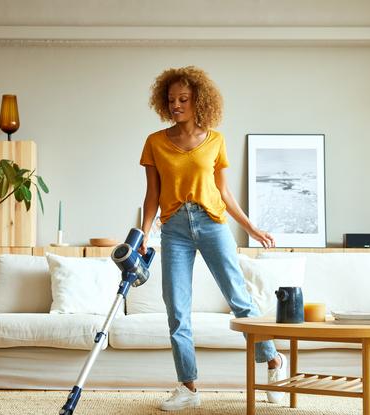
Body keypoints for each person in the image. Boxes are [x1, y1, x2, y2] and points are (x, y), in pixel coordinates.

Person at [139, 66, 288, 411]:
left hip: (211, 223)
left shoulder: (216, 140)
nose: (176, 105)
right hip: (174, 228)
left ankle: (273, 362)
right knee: (176, 308)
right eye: (171, 99)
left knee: (239, 298)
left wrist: (250, 228)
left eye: (184, 99)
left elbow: (224, 192)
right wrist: (144, 235)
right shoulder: (155, 142)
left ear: (199, 101)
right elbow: (151, 195)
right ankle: (188, 387)